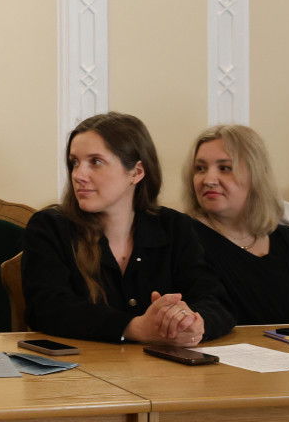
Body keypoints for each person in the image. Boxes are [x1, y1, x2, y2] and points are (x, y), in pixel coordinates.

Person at [22, 112, 233, 345]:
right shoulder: (50, 226)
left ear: (137, 172)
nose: (78, 175)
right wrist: (133, 328)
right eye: (75, 163)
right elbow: (47, 308)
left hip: (163, 366)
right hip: (81, 366)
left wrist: (191, 322)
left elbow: (216, 301)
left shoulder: (175, 227)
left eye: (96, 162)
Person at [185, 124, 289, 325]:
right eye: (200, 169)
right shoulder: (185, 239)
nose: (209, 180)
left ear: (256, 175)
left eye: (224, 168)